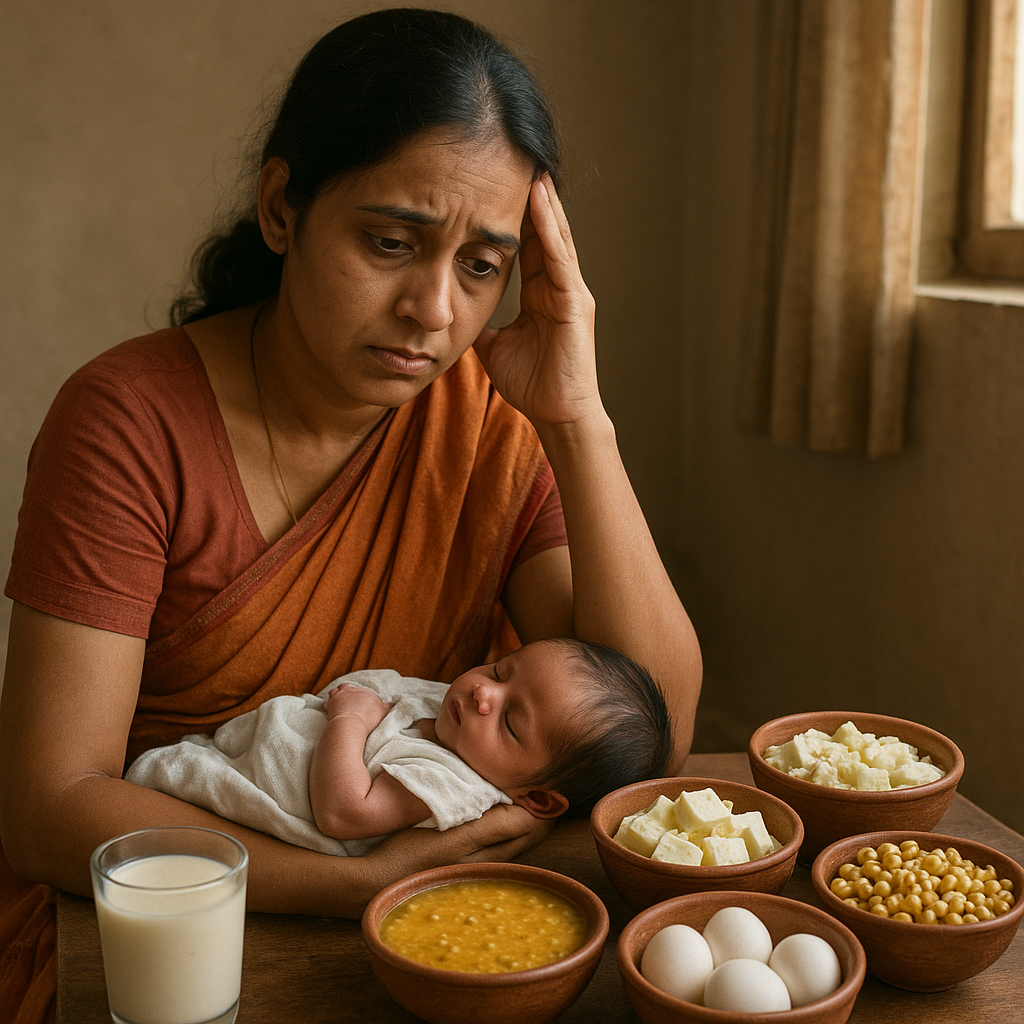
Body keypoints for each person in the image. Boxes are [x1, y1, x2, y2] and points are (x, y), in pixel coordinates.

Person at [0, 8, 701, 1022]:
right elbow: (50, 809)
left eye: (481, 265)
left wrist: (578, 417)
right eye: (390, 241)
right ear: (282, 206)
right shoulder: (129, 422)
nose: (434, 309)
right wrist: (350, 882)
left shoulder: (487, 423)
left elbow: (656, 729)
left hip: (426, 939)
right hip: (165, 932)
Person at [126, 638, 673, 855]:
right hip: (239, 747)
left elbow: (344, 810)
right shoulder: (457, 719)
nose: (485, 693)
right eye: (501, 670)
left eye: (510, 722)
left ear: (538, 798)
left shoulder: (454, 783)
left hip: (246, 794)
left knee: (149, 801)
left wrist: (348, 719)